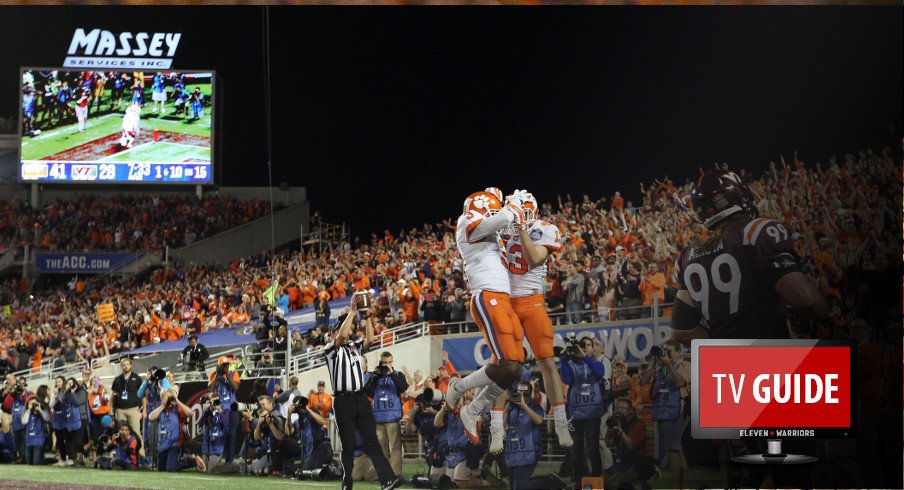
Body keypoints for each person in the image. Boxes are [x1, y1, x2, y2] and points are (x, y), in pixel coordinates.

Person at [446, 188, 527, 446]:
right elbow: (503, 219)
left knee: (515, 368)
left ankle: (471, 409)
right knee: (508, 365)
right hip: (488, 298)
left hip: (503, 298)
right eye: (490, 210)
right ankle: (459, 388)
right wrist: (513, 206)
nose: (494, 215)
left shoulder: (492, 235)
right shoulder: (466, 220)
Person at [497, 190, 573, 449]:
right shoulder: (500, 229)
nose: (520, 216)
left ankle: (562, 422)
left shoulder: (544, 229)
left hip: (532, 302)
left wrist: (520, 230)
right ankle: (497, 425)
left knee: (546, 360)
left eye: (524, 212)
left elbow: (535, 258)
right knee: (502, 364)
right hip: (507, 302)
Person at [322, 306, 402, 490]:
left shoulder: (354, 348)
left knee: (372, 440)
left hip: (360, 398)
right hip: (343, 400)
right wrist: (353, 311)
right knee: (348, 443)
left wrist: (368, 317)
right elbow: (341, 337)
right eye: (344, 328)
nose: (348, 331)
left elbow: (371, 339)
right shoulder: (331, 350)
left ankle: (387, 480)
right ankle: (347, 481)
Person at [640, 340, 690, 490]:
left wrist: (668, 364)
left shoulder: (685, 365)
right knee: (677, 450)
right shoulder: (660, 366)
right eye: (664, 351)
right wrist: (654, 362)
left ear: (679, 351)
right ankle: (684, 486)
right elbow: (645, 380)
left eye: (670, 351)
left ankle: (676, 486)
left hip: (676, 412)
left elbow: (680, 382)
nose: (666, 354)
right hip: (662, 411)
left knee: (673, 450)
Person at [559, 338, 606, 486]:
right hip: (576, 412)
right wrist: (564, 359)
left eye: (586, 346)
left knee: (593, 446)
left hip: (593, 412)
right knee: (576, 447)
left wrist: (585, 357)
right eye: (581, 345)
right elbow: (566, 379)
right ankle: (577, 479)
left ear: (593, 349)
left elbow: (600, 372)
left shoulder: (596, 363)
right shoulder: (571, 364)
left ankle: (596, 477)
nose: (583, 348)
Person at [503, 382, 566, 490]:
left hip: (530, 451)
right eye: (519, 394)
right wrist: (507, 404)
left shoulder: (535, 407)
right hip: (513, 451)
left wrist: (524, 405)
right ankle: (549, 478)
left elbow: (539, 420)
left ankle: (550, 481)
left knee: (520, 487)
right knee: (515, 487)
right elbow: (502, 425)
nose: (522, 397)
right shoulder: (511, 409)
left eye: (526, 394)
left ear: (530, 393)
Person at [364, 351, 408, 477]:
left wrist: (391, 373)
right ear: (380, 362)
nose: (387, 365)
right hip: (378, 417)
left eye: (389, 362)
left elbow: (403, 387)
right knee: (381, 448)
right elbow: (369, 392)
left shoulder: (398, 374)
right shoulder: (375, 376)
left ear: (392, 362)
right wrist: (374, 377)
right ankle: (384, 473)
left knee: (395, 446)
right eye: (384, 363)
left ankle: (396, 473)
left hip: (392, 417)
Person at [148, 388, 203, 472]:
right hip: (162, 444)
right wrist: (163, 405)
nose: (170, 399)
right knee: (162, 470)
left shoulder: (177, 408)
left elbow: (190, 413)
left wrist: (177, 401)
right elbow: (151, 417)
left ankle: (193, 461)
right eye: (167, 397)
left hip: (175, 443)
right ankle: (186, 460)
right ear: (162, 398)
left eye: (171, 396)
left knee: (171, 469)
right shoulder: (160, 407)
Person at [603, 398, 649, 490]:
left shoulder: (638, 424)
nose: (619, 410)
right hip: (621, 463)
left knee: (614, 483)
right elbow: (609, 444)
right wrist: (609, 429)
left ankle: (640, 485)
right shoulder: (619, 423)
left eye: (623, 408)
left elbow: (631, 446)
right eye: (617, 407)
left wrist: (620, 432)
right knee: (601, 480)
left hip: (636, 463)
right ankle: (635, 484)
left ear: (631, 410)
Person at [285, 394, 332, 471]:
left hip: (322, 447)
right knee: (291, 469)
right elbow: (288, 432)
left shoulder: (312, 413)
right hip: (310, 453)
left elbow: (323, 422)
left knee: (307, 467)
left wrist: (308, 409)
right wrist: (289, 414)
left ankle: (332, 468)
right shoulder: (298, 422)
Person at [208, 357, 241, 463]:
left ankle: (229, 461)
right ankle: (216, 459)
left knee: (231, 435)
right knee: (218, 434)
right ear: (218, 365)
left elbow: (236, 387)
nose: (225, 367)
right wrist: (217, 374)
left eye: (227, 365)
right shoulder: (213, 374)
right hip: (218, 408)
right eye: (223, 365)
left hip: (231, 408)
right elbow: (210, 388)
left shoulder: (234, 373)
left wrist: (227, 374)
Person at [111, 358, 144, 458]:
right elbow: (113, 395)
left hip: (133, 408)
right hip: (120, 409)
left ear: (131, 365)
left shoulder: (137, 378)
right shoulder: (117, 379)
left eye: (127, 364)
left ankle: (140, 455)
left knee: (136, 432)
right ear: (121, 366)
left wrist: (144, 410)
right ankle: (121, 455)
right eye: (123, 365)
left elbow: (143, 395)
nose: (125, 366)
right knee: (120, 433)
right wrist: (111, 409)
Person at [138, 367, 170, 468]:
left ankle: (160, 460)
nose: (152, 374)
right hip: (150, 411)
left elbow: (168, 392)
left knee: (160, 436)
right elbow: (139, 394)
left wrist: (160, 387)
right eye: (150, 373)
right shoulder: (148, 382)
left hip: (161, 411)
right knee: (148, 437)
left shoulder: (163, 379)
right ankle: (151, 460)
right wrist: (145, 381)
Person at [198, 394, 228, 471]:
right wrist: (206, 411)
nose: (215, 403)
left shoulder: (224, 412)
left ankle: (235, 466)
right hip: (207, 448)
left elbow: (226, 424)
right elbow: (200, 424)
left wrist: (220, 411)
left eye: (217, 401)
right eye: (213, 401)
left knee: (211, 470)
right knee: (203, 470)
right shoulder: (208, 413)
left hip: (217, 448)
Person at [21, 396, 49, 465]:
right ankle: (44, 459)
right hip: (29, 441)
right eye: (31, 404)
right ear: (27, 405)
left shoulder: (42, 412)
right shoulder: (26, 413)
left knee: (36, 463)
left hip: (39, 441)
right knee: (30, 463)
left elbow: (47, 419)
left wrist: (40, 410)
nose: (33, 405)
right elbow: (24, 421)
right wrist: (28, 410)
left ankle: (47, 460)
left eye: (34, 403)